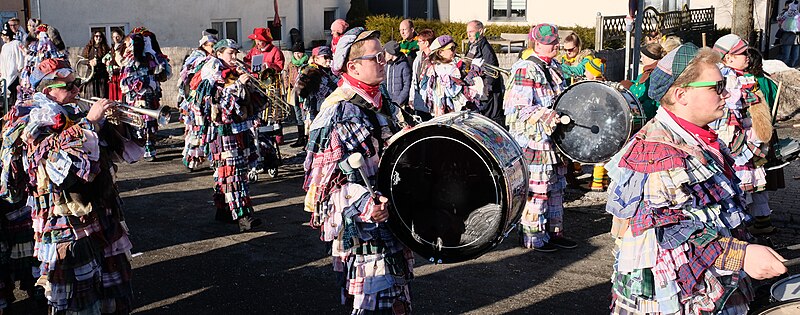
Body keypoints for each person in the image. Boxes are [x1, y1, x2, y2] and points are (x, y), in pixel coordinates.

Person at [605, 43, 787, 314]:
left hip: (711, 281)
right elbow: (665, 232)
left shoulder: (699, 137)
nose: (725, 93)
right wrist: (741, 254)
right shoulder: (656, 153)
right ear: (681, 95)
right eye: (716, 87)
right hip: (678, 298)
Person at [1, 57, 143, 314]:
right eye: (69, 86)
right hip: (63, 212)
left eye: (77, 84)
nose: (77, 90)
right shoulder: (33, 116)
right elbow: (60, 167)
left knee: (105, 270)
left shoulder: (72, 112)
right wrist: (89, 123)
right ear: (48, 90)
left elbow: (114, 153)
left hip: (97, 206)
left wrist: (109, 124)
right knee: (75, 283)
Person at [303, 27, 413, 314]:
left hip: (393, 217)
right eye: (376, 57)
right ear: (353, 66)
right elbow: (328, 185)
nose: (383, 61)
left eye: (382, 55)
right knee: (371, 299)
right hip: (366, 225)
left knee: (395, 295)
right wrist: (366, 204)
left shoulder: (381, 97)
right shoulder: (338, 111)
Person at [504, 23, 577, 252]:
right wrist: (549, 115)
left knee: (556, 187)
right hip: (535, 141)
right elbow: (519, 108)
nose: (555, 45)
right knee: (538, 189)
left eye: (556, 41)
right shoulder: (525, 69)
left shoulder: (555, 66)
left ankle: (554, 233)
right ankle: (533, 237)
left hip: (555, 142)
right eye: (550, 43)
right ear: (537, 44)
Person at [195, 39, 264, 231]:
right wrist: (237, 85)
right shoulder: (212, 74)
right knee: (232, 172)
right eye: (230, 54)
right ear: (218, 54)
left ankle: (223, 210)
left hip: (239, 129)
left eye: (235, 53)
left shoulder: (234, 72)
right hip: (223, 131)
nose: (234, 57)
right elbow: (218, 103)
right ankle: (244, 216)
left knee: (229, 173)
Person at [712, 34, 776, 235]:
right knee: (734, 184)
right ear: (728, 57)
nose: (747, 57)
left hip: (745, 139)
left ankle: (749, 228)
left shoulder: (742, 77)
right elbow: (727, 114)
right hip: (731, 141)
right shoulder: (727, 79)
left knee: (748, 185)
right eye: (742, 53)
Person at [119, 27, 172, 161]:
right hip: (137, 96)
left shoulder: (153, 57)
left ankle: (150, 148)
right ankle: (140, 147)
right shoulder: (131, 59)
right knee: (139, 121)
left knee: (150, 122)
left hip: (151, 94)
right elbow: (125, 81)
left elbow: (166, 74)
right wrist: (143, 82)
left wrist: (158, 72)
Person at [178, 32, 218, 171]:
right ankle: (191, 159)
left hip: (209, 99)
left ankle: (214, 159)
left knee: (210, 130)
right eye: (211, 46)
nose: (213, 49)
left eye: (215, 46)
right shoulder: (197, 58)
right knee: (196, 130)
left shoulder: (214, 58)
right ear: (203, 45)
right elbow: (188, 78)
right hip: (195, 100)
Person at [420, 35, 483, 116]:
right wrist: (474, 70)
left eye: (455, 47)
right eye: (451, 49)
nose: (455, 51)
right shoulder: (441, 68)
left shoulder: (448, 65)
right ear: (440, 52)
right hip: (450, 113)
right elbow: (457, 89)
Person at [295, 45, 337, 144]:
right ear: (316, 58)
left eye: (330, 57)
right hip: (317, 110)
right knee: (319, 138)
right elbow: (299, 90)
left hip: (332, 109)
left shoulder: (331, 71)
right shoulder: (310, 71)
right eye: (325, 57)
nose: (328, 60)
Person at [466, 20, 505, 124]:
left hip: (487, 95)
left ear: (481, 31)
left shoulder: (486, 49)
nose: (469, 35)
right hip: (476, 92)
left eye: (471, 32)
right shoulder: (471, 46)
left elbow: (491, 75)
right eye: (467, 32)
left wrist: (484, 92)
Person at [621, 42, 665, 121]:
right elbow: (637, 82)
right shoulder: (647, 72)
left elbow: (642, 93)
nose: (641, 59)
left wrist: (629, 87)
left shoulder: (654, 75)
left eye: (643, 57)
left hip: (646, 116)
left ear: (651, 58)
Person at [284, 42, 308, 148]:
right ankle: (300, 138)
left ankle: (307, 139)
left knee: (305, 116)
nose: (298, 55)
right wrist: (286, 85)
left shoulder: (307, 64)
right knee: (298, 115)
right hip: (294, 92)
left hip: (304, 92)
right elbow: (286, 74)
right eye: (296, 53)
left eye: (300, 53)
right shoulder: (291, 64)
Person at [408, 28, 435, 121]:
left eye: (419, 41)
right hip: (419, 96)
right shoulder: (418, 57)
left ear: (426, 43)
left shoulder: (436, 58)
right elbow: (414, 79)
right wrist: (412, 97)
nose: (417, 43)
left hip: (432, 99)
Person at [81, 31, 111, 99]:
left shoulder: (105, 48)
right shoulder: (88, 48)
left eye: (100, 36)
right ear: (93, 37)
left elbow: (109, 59)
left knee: (102, 93)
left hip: (102, 75)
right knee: (90, 93)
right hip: (91, 75)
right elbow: (82, 60)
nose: (98, 38)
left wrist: (99, 62)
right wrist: (89, 62)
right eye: (96, 36)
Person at [1, 23, 25, 107]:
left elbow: (20, 56)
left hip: (15, 73)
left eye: (3, 35)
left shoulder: (16, 43)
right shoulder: (4, 47)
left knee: (14, 93)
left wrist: (20, 67)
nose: (2, 37)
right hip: (6, 73)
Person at [383, 40, 411, 108]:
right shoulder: (386, 66)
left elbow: (407, 85)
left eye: (385, 53)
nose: (384, 55)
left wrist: (399, 100)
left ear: (390, 53)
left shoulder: (403, 65)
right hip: (388, 103)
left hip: (400, 103)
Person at [103, 28, 126, 101]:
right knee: (113, 92)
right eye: (113, 37)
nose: (115, 39)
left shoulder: (124, 47)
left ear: (121, 36)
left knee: (120, 93)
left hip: (121, 73)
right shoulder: (112, 47)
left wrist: (119, 66)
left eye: (117, 36)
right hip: (113, 73)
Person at [778, 0, 800, 67]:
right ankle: (784, 69)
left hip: (796, 39)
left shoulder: (797, 14)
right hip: (787, 37)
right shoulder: (783, 14)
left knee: (795, 57)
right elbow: (780, 25)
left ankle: (792, 68)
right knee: (786, 57)